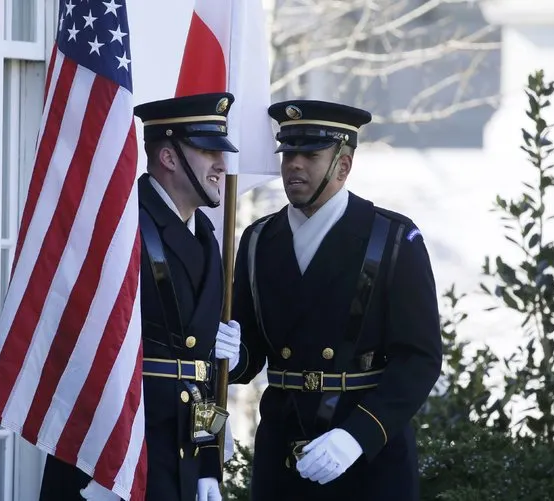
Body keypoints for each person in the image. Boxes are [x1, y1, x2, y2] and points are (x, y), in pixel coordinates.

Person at [229, 100, 442, 501]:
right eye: (288, 153)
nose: (294, 164)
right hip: (284, 444)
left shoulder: (394, 238)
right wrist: (230, 355)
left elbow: (420, 357)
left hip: (366, 454)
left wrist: (357, 435)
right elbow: (250, 350)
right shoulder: (258, 240)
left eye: (310, 155)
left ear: (343, 167)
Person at [39, 93, 243, 501]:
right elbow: (82, 347)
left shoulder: (205, 238)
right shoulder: (119, 226)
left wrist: (207, 462)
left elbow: (196, 379)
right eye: (207, 151)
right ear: (168, 158)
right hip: (116, 456)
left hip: (179, 457)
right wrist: (98, 462)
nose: (222, 165)